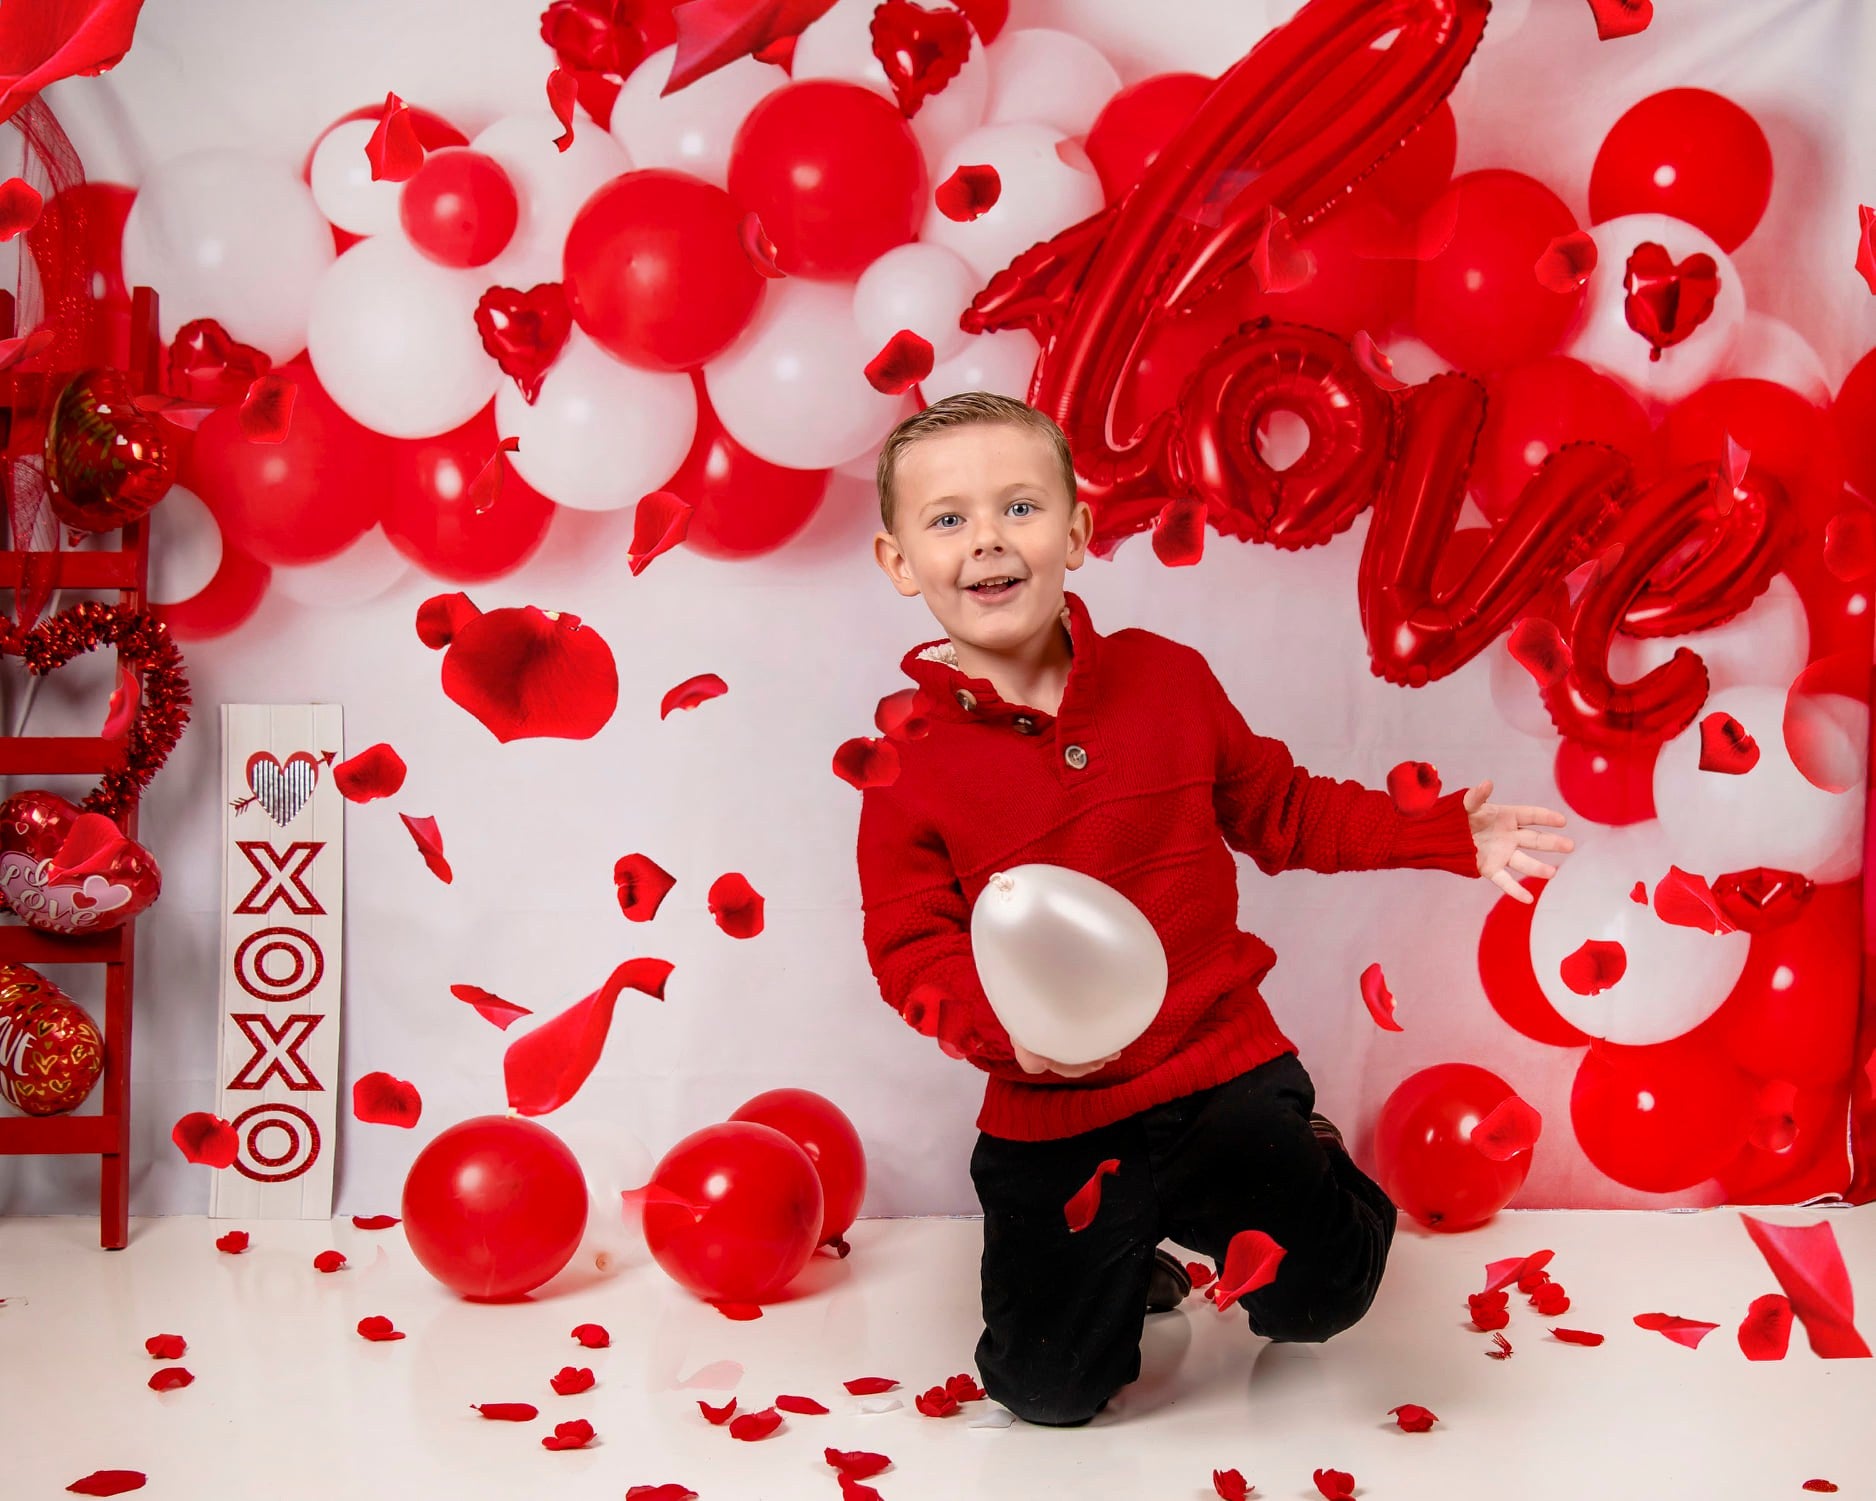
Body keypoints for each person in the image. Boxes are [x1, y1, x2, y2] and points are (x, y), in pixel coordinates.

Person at [853, 390, 1573, 1427]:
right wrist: (1004, 1028)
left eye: (1018, 507)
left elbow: (1280, 811)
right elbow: (908, 946)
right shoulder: (907, 764)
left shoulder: (1166, 681)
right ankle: (1126, 1251)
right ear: (898, 562)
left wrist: (1440, 836)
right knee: (1047, 1394)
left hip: (1216, 1069)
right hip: (1054, 1110)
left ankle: (1310, 1162)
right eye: (948, 519)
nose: (986, 542)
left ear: (1077, 531)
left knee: (1318, 1298)